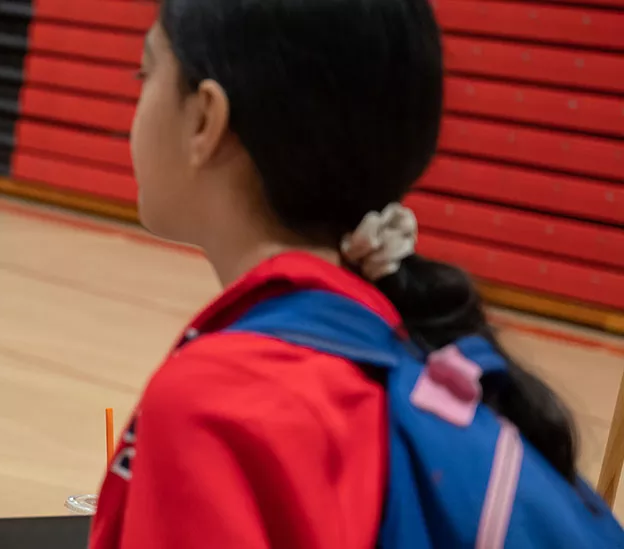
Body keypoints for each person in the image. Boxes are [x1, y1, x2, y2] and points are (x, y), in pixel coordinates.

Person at [89, 0, 593, 547]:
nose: (135, 103)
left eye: (146, 73)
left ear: (205, 120)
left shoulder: (220, 401)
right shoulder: (392, 331)